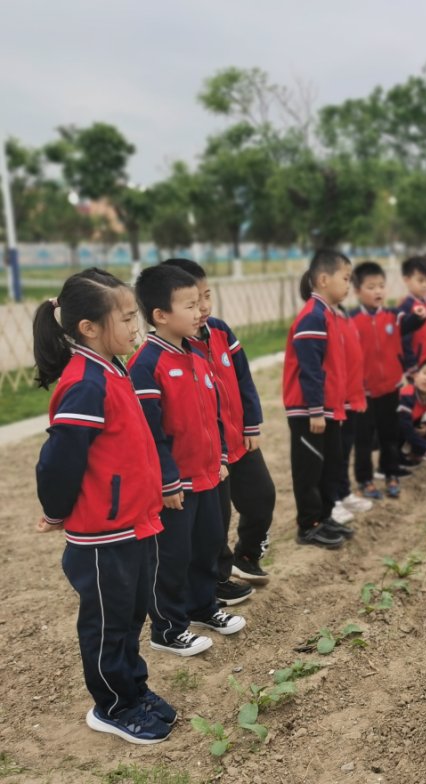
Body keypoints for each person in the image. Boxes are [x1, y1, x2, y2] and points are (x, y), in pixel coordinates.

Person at [33, 268, 175, 744]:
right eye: (127, 318)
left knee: (132, 615)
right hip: (102, 535)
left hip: (135, 524)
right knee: (107, 623)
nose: (136, 328)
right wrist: (56, 512)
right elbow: (58, 462)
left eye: (136, 317)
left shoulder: (112, 368)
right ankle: (111, 705)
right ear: (88, 328)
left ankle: (132, 689)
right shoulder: (85, 384)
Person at [129, 264, 245, 656]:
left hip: (209, 474)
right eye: (190, 305)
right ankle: (167, 627)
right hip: (176, 486)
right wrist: (167, 481)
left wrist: (223, 456)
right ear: (161, 315)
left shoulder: (195, 353)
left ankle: (202, 607)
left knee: (209, 544)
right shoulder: (146, 364)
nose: (200, 312)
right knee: (172, 558)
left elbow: (212, 414)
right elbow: (150, 434)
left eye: (200, 303)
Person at [161, 259, 275, 599]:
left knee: (262, 498)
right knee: (216, 519)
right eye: (195, 301)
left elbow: (244, 379)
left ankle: (247, 556)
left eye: (207, 296)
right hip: (207, 453)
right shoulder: (178, 347)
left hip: (239, 441)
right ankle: (219, 577)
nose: (204, 307)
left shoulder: (221, 331)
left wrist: (251, 423)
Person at [282, 250, 354, 548]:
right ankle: (308, 525)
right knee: (309, 468)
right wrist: (315, 410)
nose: (349, 285)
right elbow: (310, 369)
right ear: (324, 279)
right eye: (346, 278)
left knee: (329, 465)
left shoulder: (329, 315)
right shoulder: (312, 317)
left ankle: (324, 517)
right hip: (309, 410)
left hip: (329, 408)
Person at [350, 261, 404, 500]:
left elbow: (415, 323)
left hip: (390, 388)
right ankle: (365, 480)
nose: (378, 291)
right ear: (357, 291)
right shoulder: (351, 322)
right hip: (364, 393)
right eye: (371, 287)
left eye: (381, 286)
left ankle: (391, 473)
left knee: (390, 435)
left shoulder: (393, 317)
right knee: (362, 440)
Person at [334, 301, 375, 521]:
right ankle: (332, 499)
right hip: (336, 401)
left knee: (345, 449)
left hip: (350, 396)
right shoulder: (322, 318)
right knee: (335, 453)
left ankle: (343, 492)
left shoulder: (343, 315)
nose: (346, 286)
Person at [398, 256, 426, 374]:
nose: (425, 285)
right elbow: (404, 339)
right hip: (417, 365)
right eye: (420, 281)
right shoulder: (406, 306)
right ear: (406, 279)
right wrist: (411, 365)